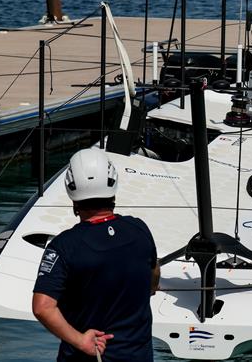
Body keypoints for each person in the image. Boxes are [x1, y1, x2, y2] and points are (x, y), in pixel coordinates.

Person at [32, 148, 160, 361]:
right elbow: (154, 274)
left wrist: (81, 340)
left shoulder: (64, 246)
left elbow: (43, 307)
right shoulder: (140, 229)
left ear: (71, 191)